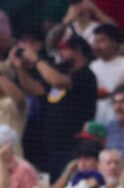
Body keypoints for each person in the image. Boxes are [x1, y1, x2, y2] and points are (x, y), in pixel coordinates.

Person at [13, 36, 98, 176]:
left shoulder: (86, 74)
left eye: (64, 50)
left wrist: (36, 60)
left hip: (71, 144)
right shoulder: (63, 72)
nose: (60, 54)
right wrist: (19, 68)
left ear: (77, 51)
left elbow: (57, 82)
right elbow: (35, 89)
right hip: (50, 144)